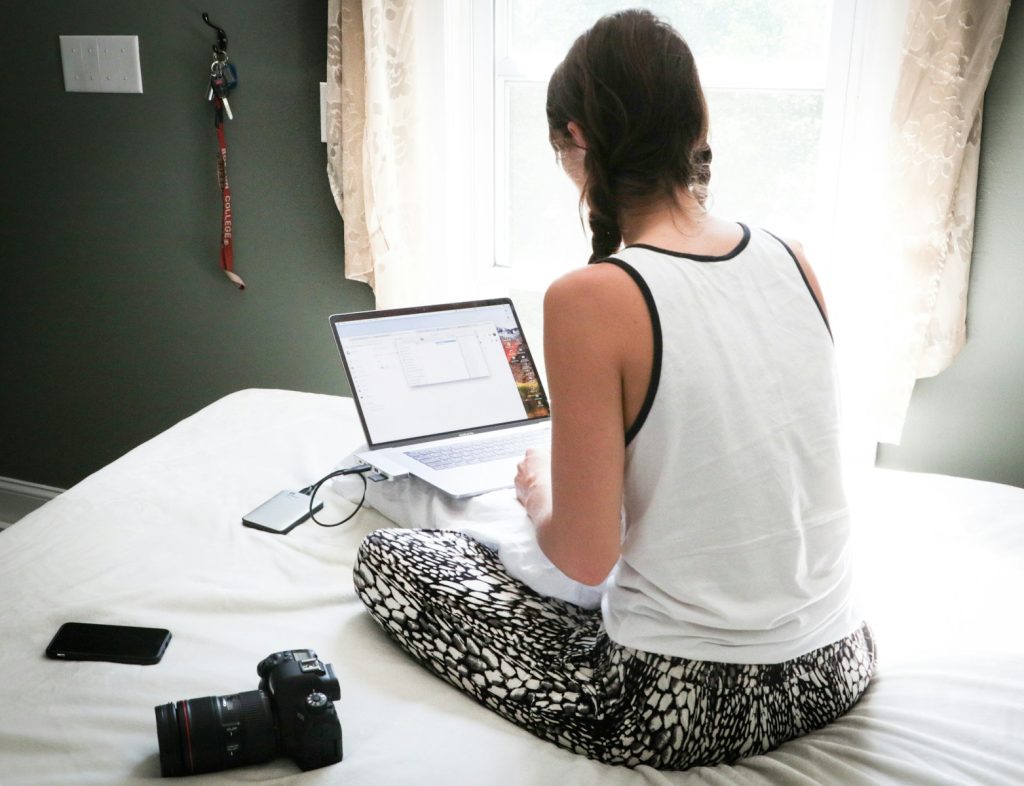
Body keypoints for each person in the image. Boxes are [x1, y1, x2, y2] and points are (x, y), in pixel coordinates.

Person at [353, 9, 876, 769]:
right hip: (839, 662)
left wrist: (537, 495)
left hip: (689, 702)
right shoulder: (791, 256)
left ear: (576, 141)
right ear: (694, 123)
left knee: (392, 559)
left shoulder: (590, 298)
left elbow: (586, 558)